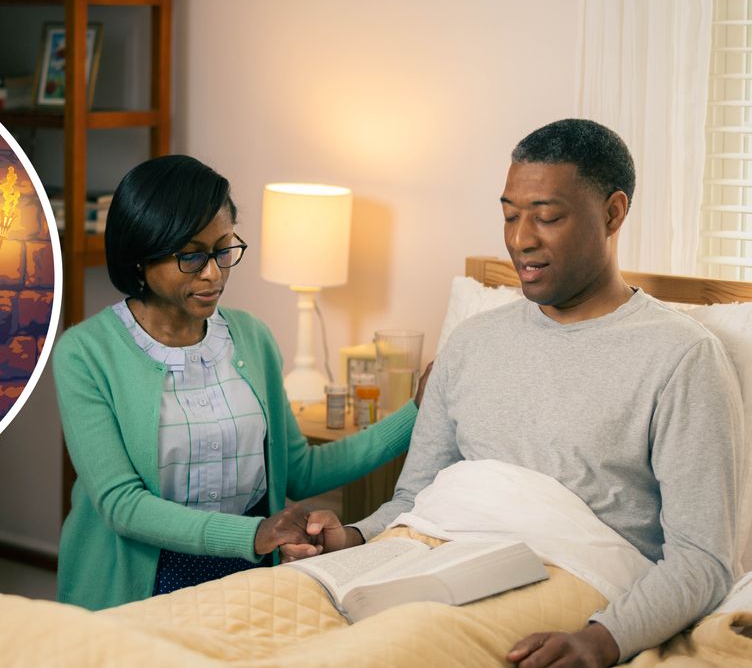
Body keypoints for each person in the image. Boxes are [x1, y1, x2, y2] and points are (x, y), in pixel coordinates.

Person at [300, 119, 743, 667]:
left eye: (547, 217)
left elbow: (703, 559)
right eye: (509, 215)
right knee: (254, 603)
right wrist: (350, 538)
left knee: (387, 649)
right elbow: (412, 504)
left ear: (613, 212)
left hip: (567, 575)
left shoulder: (680, 357)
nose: (519, 239)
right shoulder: (471, 344)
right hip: (417, 554)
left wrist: (602, 640)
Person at [53, 155, 427, 611]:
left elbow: (300, 469)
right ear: (141, 256)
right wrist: (255, 533)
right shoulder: (87, 353)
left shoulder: (251, 336)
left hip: (247, 575)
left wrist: (417, 412)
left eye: (223, 250)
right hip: (140, 586)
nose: (213, 273)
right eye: (191, 256)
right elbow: (121, 504)